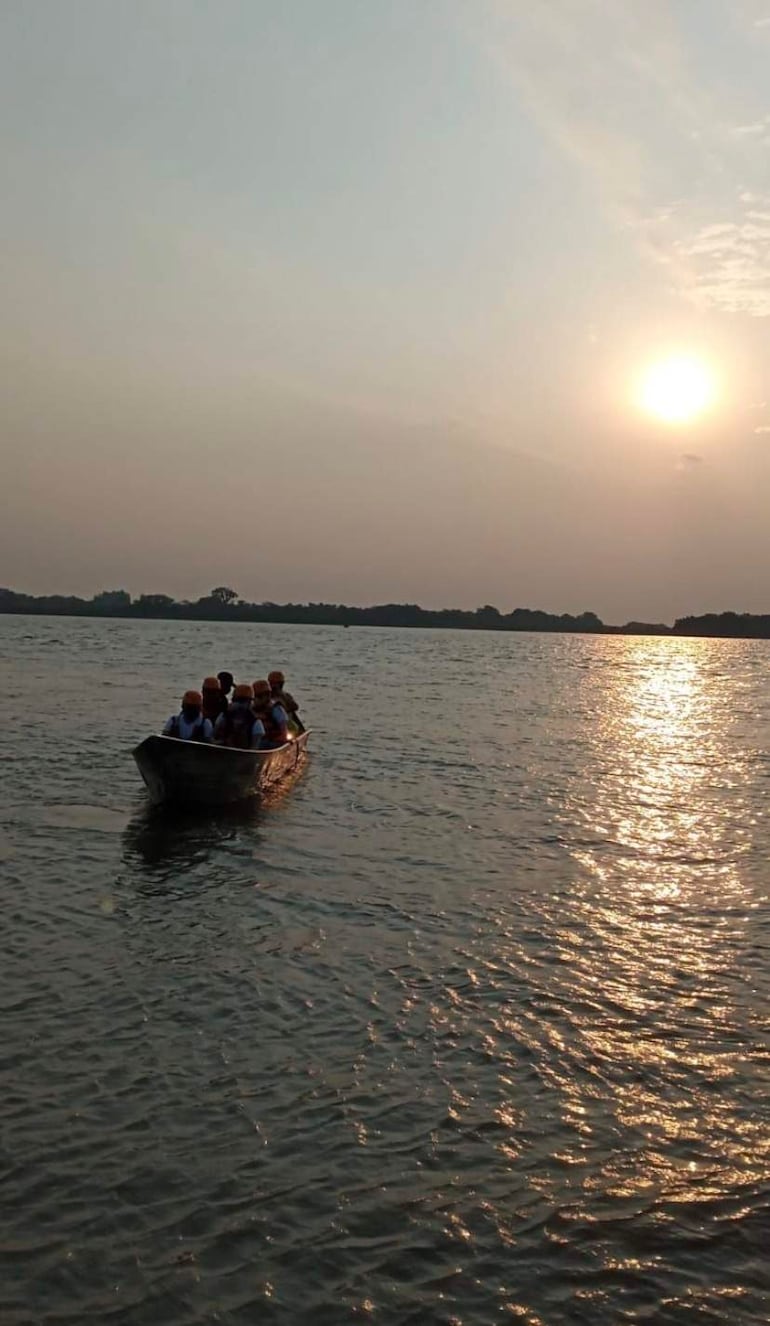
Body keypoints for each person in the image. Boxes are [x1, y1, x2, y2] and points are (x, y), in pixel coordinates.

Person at [214, 683, 265, 749]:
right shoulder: (256, 721)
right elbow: (255, 747)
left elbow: (214, 736)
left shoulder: (223, 716)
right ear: (250, 702)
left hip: (224, 750)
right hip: (242, 751)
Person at [252, 678, 289, 746]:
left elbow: (284, 735)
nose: (255, 700)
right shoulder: (251, 709)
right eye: (254, 697)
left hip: (271, 742)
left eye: (258, 697)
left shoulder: (276, 709)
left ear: (267, 696)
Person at [268, 669, 305, 734]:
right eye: (272, 683)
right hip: (273, 722)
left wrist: (285, 708)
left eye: (276, 683)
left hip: (285, 722)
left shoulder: (286, 695)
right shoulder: (266, 696)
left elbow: (295, 706)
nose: (273, 686)